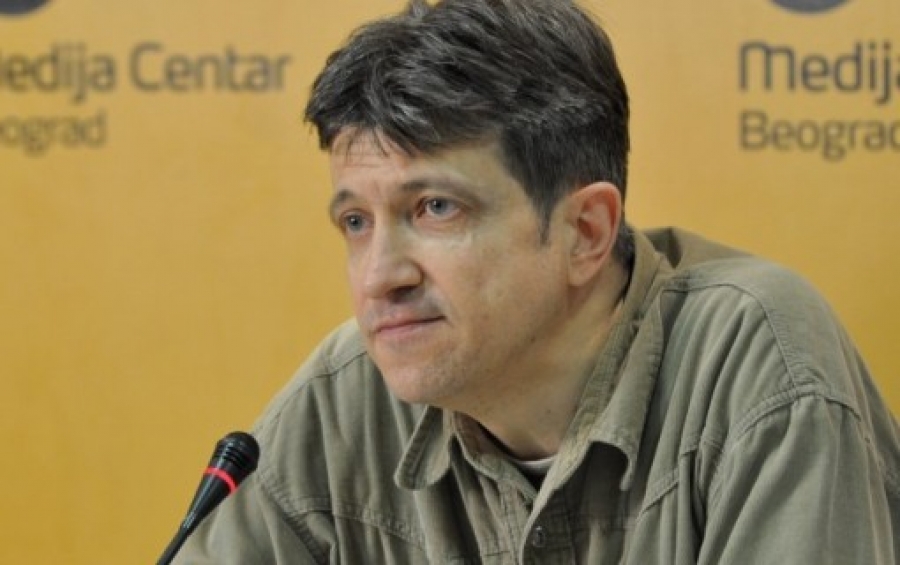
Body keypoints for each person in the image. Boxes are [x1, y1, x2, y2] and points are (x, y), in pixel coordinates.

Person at [174, 0, 900, 563]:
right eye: (356, 222)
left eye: (435, 208)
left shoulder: (756, 363)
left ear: (585, 231)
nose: (379, 277)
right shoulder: (343, 400)